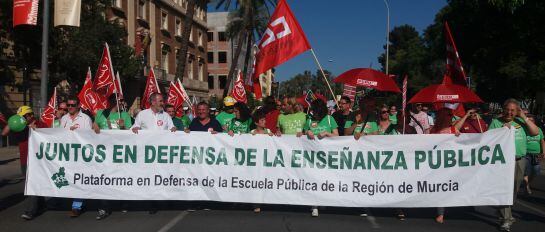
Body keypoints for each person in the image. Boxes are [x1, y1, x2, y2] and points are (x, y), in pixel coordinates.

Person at [488, 98, 540, 232]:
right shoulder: (496, 122)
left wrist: (523, 117)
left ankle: (505, 211)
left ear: (517, 111)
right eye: (507, 109)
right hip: (503, 161)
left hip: (520, 160)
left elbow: (535, 132)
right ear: (503, 109)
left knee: (514, 189)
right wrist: (501, 131)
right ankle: (506, 219)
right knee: (504, 189)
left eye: (513, 110)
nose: (509, 113)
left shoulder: (521, 122)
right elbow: (488, 141)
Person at [131, 93, 176, 214]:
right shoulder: (142, 114)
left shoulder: (166, 115)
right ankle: (152, 203)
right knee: (150, 177)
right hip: (147, 154)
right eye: (160, 101)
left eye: (163, 101)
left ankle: (164, 198)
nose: (163, 103)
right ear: (153, 102)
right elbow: (134, 127)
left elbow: (172, 128)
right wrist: (135, 129)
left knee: (162, 176)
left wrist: (173, 130)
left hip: (162, 153)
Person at [92, 95, 132, 220]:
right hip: (104, 154)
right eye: (115, 101)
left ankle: (122, 201)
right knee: (104, 180)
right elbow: (93, 127)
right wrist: (95, 127)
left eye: (119, 101)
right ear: (110, 102)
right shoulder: (100, 113)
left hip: (119, 154)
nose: (117, 103)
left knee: (120, 178)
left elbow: (131, 135)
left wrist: (123, 127)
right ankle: (104, 207)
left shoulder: (124, 115)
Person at [59, 96, 94, 217]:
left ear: (78, 106)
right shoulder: (64, 119)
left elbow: (90, 137)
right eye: (68, 105)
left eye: (72, 105)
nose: (69, 107)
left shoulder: (85, 119)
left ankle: (76, 206)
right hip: (67, 154)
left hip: (80, 155)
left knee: (78, 178)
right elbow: (58, 135)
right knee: (67, 178)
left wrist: (77, 133)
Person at [303, 99, 338, 217]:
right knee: (313, 179)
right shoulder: (309, 120)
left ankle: (322, 199)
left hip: (326, 157)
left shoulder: (329, 119)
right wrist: (307, 132)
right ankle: (314, 205)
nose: (313, 113)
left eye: (315, 111)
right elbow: (302, 135)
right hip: (312, 157)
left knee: (324, 179)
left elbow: (337, 136)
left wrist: (327, 134)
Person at [429, 108, 461, 224]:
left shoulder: (433, 130)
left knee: (441, 188)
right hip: (446, 164)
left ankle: (440, 214)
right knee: (444, 187)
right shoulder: (451, 130)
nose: (452, 119)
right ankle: (441, 213)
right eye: (450, 117)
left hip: (439, 164)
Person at [249, 109, 275, 213]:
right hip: (255, 161)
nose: (265, 122)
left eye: (264, 120)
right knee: (256, 180)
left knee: (265, 180)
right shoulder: (251, 133)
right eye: (262, 120)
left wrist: (274, 136)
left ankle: (266, 200)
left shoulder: (268, 132)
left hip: (266, 160)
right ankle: (256, 203)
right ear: (256, 122)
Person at [522, 114, 544, 195]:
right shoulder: (523, 129)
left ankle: (527, 183)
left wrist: (543, 151)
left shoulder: (538, 129)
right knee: (526, 171)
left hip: (536, 154)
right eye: (529, 120)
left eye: (532, 120)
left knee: (536, 171)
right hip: (526, 153)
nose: (530, 122)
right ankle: (527, 186)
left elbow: (542, 141)